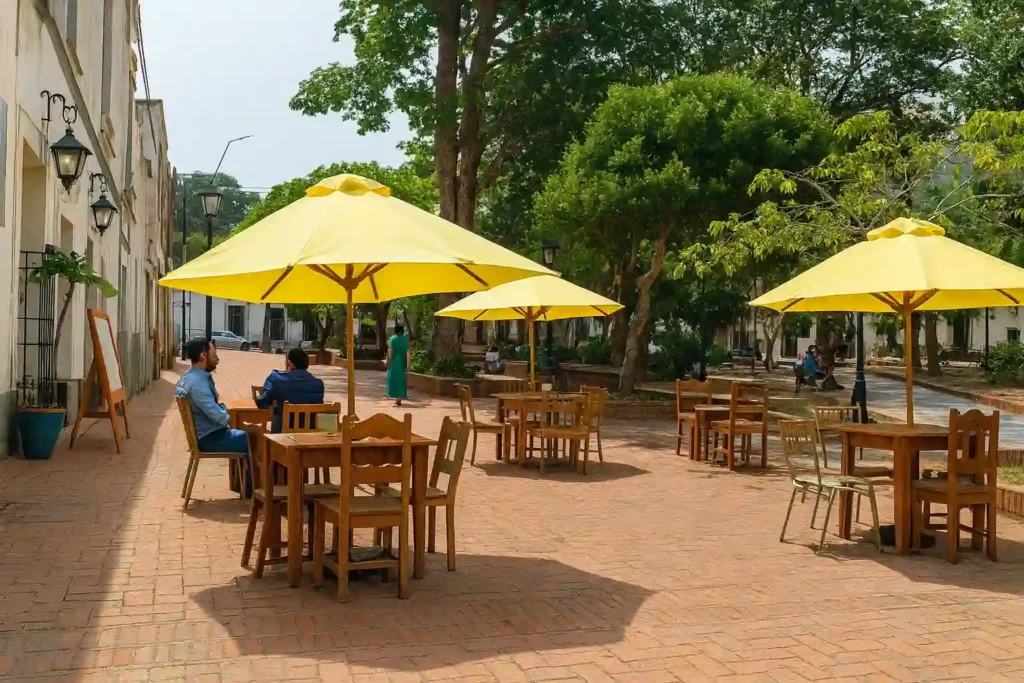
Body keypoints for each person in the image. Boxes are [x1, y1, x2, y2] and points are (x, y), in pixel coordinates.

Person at [175, 338, 252, 488]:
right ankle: (253, 489)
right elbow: (221, 418)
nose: (217, 359)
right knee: (253, 438)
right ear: (203, 355)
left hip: (204, 434)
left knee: (247, 435)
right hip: (209, 438)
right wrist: (224, 409)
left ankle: (243, 486)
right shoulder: (198, 384)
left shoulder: (187, 378)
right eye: (214, 354)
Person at [254, 347, 325, 433]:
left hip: (284, 435)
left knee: (278, 413)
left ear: (289, 363)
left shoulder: (276, 378)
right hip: (311, 433)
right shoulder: (318, 384)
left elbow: (262, 402)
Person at [386, 324, 411, 407]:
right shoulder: (405, 340)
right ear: (402, 331)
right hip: (401, 363)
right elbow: (408, 354)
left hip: (393, 363)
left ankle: (396, 398)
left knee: (393, 379)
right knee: (401, 380)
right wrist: (408, 365)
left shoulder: (392, 339)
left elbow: (389, 353)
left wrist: (388, 362)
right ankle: (399, 398)